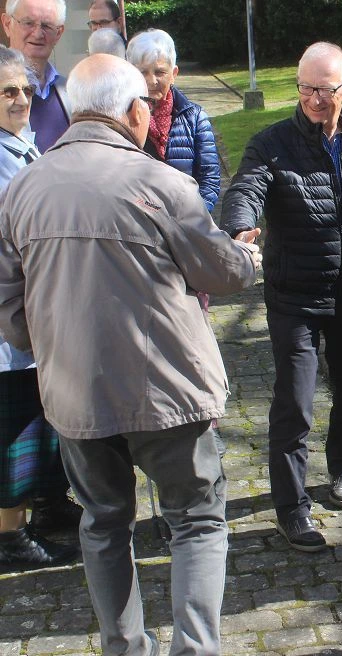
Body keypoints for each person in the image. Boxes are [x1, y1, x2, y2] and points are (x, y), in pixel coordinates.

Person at [0, 54, 260, 655]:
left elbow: (9, 303)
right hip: (167, 391)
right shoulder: (161, 183)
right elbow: (221, 272)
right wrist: (249, 257)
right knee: (197, 519)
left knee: (103, 524)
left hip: (75, 392)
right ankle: (196, 648)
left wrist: (51, 343)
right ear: (134, 111)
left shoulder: (24, 188)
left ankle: (124, 648)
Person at [221, 42, 342, 553]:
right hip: (295, 296)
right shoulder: (271, 144)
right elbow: (245, 189)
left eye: (325, 90)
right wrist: (240, 227)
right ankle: (291, 507)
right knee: (294, 404)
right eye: (305, 89)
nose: (315, 99)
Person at [0, 45, 77, 572]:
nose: (21, 99)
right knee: (13, 429)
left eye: (26, 90)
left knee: (37, 417)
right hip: (9, 319)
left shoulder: (21, 142)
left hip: (32, 312)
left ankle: (44, 506)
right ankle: (10, 534)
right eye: (8, 91)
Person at [126, 29, 220, 212]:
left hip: (187, 221)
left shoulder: (195, 117)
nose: (152, 81)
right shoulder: (122, 117)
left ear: (173, 74)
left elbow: (209, 179)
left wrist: (192, 218)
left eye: (159, 72)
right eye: (143, 72)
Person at [1, 0, 69, 153]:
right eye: (28, 23)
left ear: (58, 33)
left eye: (46, 26)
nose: (38, 34)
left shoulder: (70, 91)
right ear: (7, 24)